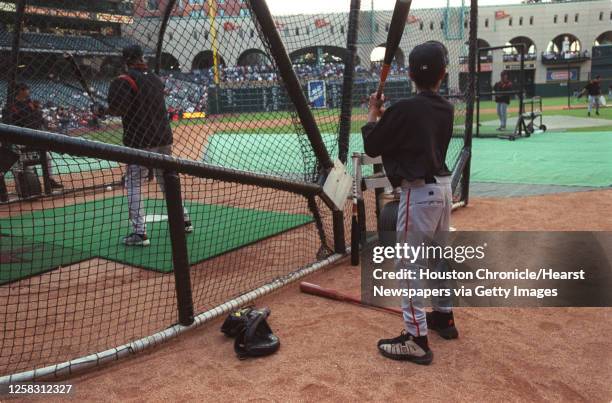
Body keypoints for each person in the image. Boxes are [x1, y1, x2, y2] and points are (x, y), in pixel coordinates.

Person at [361, 41, 458, 366]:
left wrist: (374, 113)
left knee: (408, 265)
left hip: (418, 195)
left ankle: (416, 339)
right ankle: (443, 318)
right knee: (437, 258)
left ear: (412, 74)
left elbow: (373, 146)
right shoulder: (446, 108)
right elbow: (414, 127)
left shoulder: (403, 110)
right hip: (444, 191)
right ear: (442, 74)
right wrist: (389, 115)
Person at [103, 45, 192, 246]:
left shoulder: (123, 80)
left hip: (140, 140)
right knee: (166, 180)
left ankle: (139, 233)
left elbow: (118, 109)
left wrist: (104, 110)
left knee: (133, 182)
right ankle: (184, 220)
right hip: (163, 138)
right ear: (142, 58)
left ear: (125, 60)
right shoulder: (154, 79)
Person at [4, 83, 63, 189]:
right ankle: (21, 185)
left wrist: (38, 115)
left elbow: (35, 117)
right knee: (21, 164)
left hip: (32, 136)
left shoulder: (29, 102)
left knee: (47, 157)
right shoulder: (12, 105)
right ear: (21, 91)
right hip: (19, 138)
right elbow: (17, 119)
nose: (28, 91)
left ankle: (49, 180)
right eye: (26, 89)